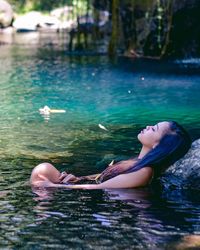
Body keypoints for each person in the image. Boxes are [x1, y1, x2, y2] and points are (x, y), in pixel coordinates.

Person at [30, 121, 191, 189]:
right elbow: (105, 177)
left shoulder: (144, 172)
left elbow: (101, 188)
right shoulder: (137, 161)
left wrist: (54, 187)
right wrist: (78, 178)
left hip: (86, 198)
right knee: (44, 170)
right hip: (80, 185)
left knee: (42, 171)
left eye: (154, 129)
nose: (148, 126)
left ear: (158, 145)